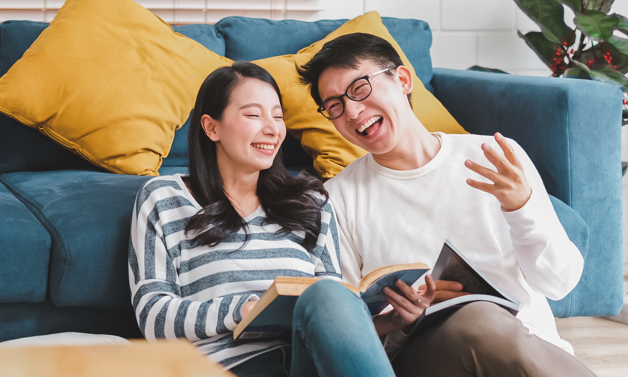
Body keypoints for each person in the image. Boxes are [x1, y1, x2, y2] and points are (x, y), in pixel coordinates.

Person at [296, 33, 596, 377]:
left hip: (526, 348)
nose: (351, 111)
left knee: (484, 320)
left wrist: (522, 208)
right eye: (334, 105)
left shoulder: (494, 158)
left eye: (360, 88)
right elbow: (345, 329)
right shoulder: (338, 199)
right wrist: (401, 319)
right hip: (423, 356)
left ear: (403, 80)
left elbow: (559, 283)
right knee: (477, 319)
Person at [128, 61, 414, 376]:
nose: (273, 128)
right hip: (231, 367)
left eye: (277, 116)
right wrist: (242, 310)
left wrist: (390, 321)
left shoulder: (312, 202)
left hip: (309, 364)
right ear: (211, 127)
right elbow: (153, 315)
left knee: (330, 293)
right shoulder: (164, 198)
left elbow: (333, 312)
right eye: (253, 115)